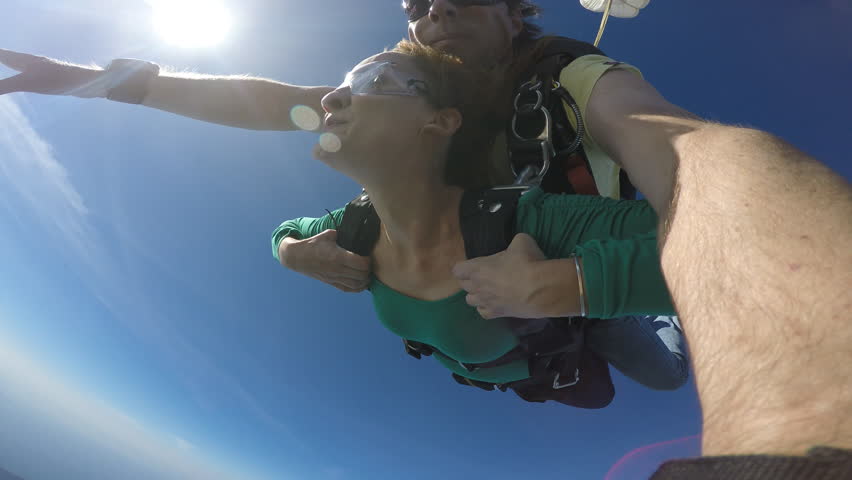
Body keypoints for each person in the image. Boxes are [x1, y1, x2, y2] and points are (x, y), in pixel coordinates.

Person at [3, 1, 849, 475]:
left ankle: (643, 318)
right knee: (525, 356)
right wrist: (88, 79)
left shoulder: (570, 72)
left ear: (515, 12)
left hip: (578, 253)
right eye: (415, 4)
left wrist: (804, 423)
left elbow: (684, 147)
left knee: (658, 369)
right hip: (488, 299)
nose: (432, 10)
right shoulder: (396, 93)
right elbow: (264, 101)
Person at [272, 39, 678, 406]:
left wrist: (574, 284)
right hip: (515, 375)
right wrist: (291, 253)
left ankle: (657, 320)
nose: (331, 98)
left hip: (558, 344)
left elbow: (712, 247)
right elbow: (285, 232)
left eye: (375, 80)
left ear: (440, 121)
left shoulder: (523, 225)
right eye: (345, 83)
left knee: (666, 376)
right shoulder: (354, 225)